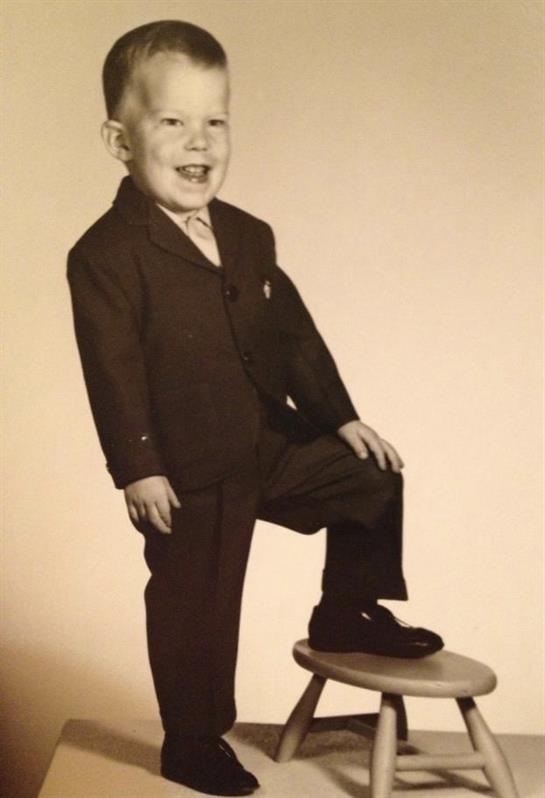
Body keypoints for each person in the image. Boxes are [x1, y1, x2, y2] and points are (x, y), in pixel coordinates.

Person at [67, 20, 443, 797]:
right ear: (119, 139)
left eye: (215, 121)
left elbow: (296, 337)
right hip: (190, 469)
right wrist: (139, 469)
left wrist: (340, 418)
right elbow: (112, 369)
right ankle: (192, 740)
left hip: (266, 444)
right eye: (171, 121)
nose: (197, 142)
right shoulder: (106, 254)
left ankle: (345, 609)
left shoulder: (247, 235)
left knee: (370, 478)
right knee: (198, 606)